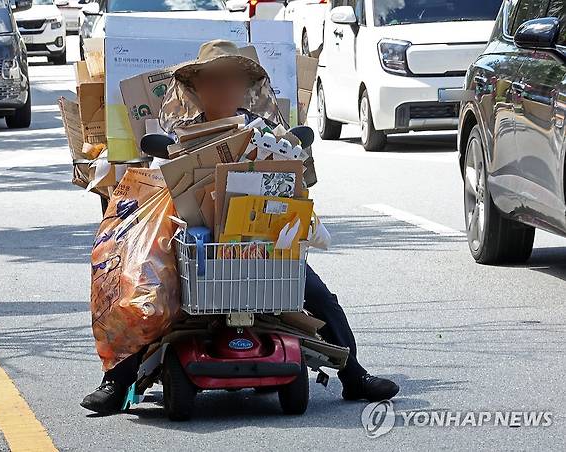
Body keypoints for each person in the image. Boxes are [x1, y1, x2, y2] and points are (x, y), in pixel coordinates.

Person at [81, 40, 398, 414]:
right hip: (195, 249)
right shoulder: (177, 138)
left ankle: (354, 375)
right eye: (214, 81)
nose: (224, 89)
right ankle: (117, 382)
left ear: (245, 87)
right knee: (142, 291)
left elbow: (297, 183)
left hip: (261, 248)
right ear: (197, 88)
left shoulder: (265, 134)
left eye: (232, 81)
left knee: (318, 295)